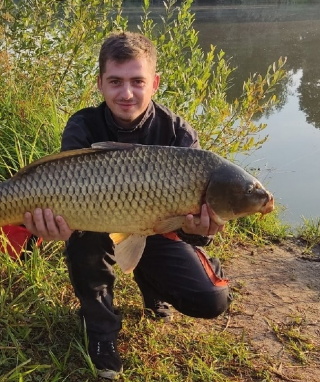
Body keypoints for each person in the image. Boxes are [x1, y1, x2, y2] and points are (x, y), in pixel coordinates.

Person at [23, 32, 232, 380]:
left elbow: (194, 223)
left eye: (137, 81)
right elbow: (60, 196)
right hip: (97, 228)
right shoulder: (83, 125)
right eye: (115, 82)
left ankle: (151, 285)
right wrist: (53, 226)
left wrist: (202, 234)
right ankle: (101, 333)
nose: (126, 93)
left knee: (211, 301)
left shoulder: (179, 134)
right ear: (100, 83)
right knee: (85, 237)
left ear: (155, 83)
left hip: (159, 231)